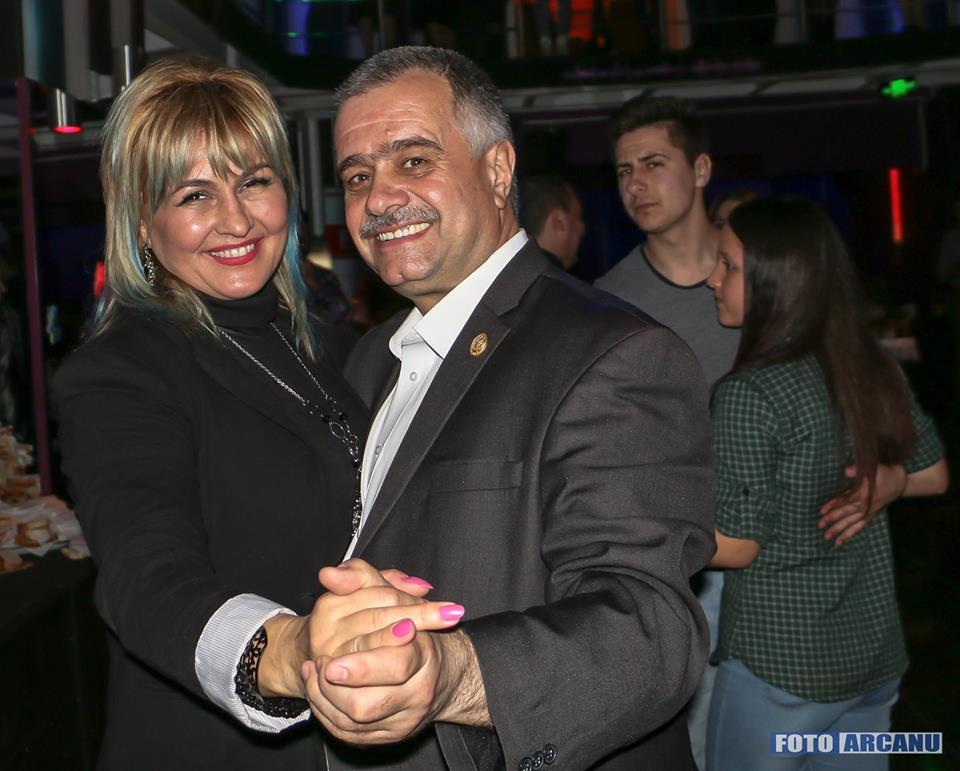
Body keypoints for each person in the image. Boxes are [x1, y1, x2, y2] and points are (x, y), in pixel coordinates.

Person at [299, 46, 716, 770]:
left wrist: (454, 674)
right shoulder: (372, 358)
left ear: (498, 171)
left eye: (413, 161)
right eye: (358, 176)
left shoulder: (614, 353)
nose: (380, 198)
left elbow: (651, 629)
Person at [52, 59, 462, 771]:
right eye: (194, 195)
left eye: (253, 182)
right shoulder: (122, 371)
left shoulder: (325, 346)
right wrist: (288, 650)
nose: (236, 220)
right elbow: (144, 576)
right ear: (143, 223)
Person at [705, 196, 948, 771]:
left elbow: (736, 547)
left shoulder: (750, 394)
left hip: (780, 672)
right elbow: (934, 475)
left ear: (776, 281)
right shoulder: (869, 366)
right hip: (870, 664)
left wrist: (639, 519)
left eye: (729, 265)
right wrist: (892, 480)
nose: (712, 278)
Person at [518, 173, 585, 270]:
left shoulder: (509, 273)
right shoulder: (558, 278)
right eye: (577, 216)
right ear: (558, 221)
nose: (582, 228)